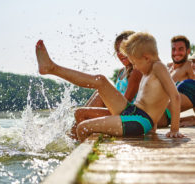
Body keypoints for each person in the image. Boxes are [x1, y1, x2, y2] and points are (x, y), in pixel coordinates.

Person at [35, 32, 184, 142]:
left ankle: (77, 159)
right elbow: (153, 99)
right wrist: (153, 128)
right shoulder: (150, 68)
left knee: (82, 127)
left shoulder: (158, 68)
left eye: (134, 61)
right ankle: (51, 68)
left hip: (139, 121)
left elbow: (174, 96)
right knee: (100, 80)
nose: (134, 66)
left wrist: (174, 130)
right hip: (132, 111)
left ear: (145, 56)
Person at [71, 31, 142, 139]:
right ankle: (74, 137)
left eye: (124, 49)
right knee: (98, 94)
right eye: (117, 50)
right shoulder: (121, 72)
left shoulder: (136, 72)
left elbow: (125, 105)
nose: (120, 53)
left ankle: (77, 141)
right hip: (118, 111)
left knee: (81, 113)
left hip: (128, 116)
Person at [157, 35, 195, 127]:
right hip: (156, 106)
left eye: (180, 49)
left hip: (162, 113)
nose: (176, 52)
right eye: (173, 49)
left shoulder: (189, 65)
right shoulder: (169, 68)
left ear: (188, 51)